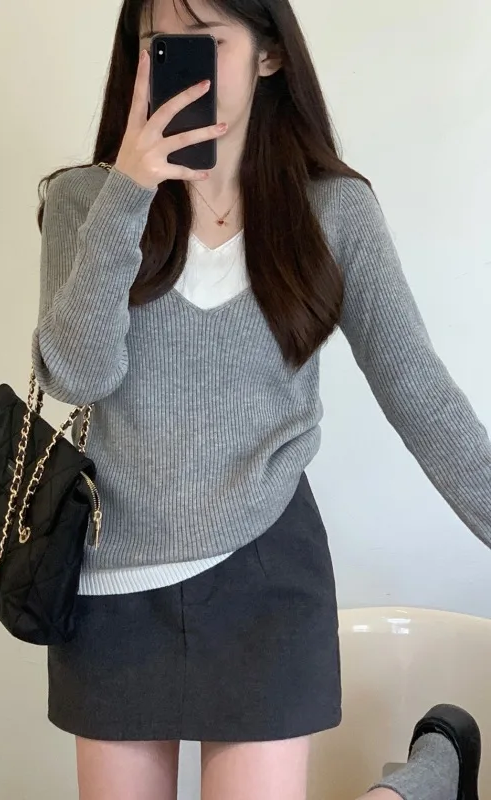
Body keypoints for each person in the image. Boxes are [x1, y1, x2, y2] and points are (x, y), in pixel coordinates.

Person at [30, 0, 491, 797]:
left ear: (269, 53)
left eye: (205, 40)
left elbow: (420, 396)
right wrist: (131, 191)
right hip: (113, 589)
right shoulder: (85, 202)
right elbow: (76, 376)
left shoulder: (332, 211)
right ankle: (424, 783)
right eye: (157, 43)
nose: (177, 60)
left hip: (265, 576)